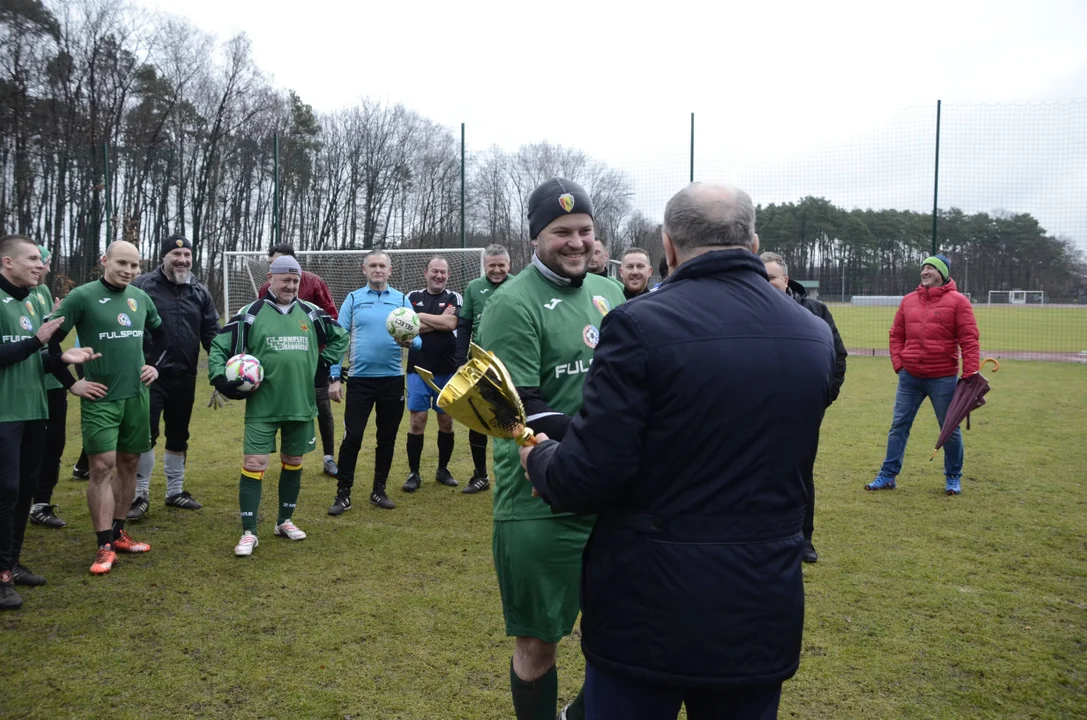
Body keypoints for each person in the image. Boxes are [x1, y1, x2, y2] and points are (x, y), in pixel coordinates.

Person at [518, 184, 835, 720]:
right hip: (761, 599)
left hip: (648, 604)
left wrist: (540, 457)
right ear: (753, 244)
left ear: (668, 247)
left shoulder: (640, 325)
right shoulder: (812, 333)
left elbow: (587, 477)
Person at [475, 177, 625, 720]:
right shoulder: (511, 303)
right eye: (562, 231)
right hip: (539, 499)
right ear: (535, 236)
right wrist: (614, 443)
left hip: (611, 497)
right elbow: (526, 412)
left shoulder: (608, 293)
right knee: (539, 643)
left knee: (625, 630)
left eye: (584, 230)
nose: (576, 241)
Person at [210, 255, 348, 557]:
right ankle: (249, 532)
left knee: (293, 461)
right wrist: (220, 380)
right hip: (263, 406)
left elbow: (341, 336)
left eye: (296, 280)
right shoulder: (251, 313)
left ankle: (284, 521)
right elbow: (219, 346)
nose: (291, 285)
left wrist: (324, 363)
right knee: (254, 464)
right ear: (270, 278)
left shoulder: (311, 314)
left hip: (300, 403)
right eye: (285, 279)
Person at [48, 240, 165, 576]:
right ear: (105, 261)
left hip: (136, 396)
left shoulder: (140, 298)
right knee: (101, 467)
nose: (129, 271)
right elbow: (50, 339)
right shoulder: (81, 296)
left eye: (135, 266)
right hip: (100, 397)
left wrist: (154, 364)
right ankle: (103, 545)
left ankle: (118, 532)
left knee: (130, 462)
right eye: (122, 264)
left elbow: (162, 336)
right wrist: (72, 382)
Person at [0, 235, 99, 607]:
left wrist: (64, 363)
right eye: (32, 259)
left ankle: (11, 564)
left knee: (25, 489)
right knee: (5, 492)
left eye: (41, 260)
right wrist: (34, 341)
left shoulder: (34, 299)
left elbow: (37, 357)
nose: (40, 265)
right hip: (4, 413)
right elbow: (19, 349)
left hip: (34, 408)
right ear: (8, 262)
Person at [867, 254, 979, 496]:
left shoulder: (959, 302)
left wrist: (970, 374)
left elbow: (969, 340)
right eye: (923, 268)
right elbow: (896, 335)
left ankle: (953, 477)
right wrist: (900, 365)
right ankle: (887, 476)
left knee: (949, 428)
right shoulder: (908, 301)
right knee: (899, 426)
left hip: (943, 377)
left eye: (930, 268)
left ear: (942, 273)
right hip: (910, 377)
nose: (925, 271)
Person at [761, 251, 848, 563]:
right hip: (755, 410)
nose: (765, 283)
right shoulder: (748, 311)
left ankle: (804, 538)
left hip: (801, 412)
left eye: (770, 277)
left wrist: (820, 399)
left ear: (785, 280)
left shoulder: (815, 311)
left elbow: (837, 359)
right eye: (760, 277)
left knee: (799, 473)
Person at [126, 234, 219, 520]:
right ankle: (138, 495)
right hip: (149, 376)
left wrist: (221, 371)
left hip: (185, 375)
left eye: (187, 256)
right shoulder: (142, 287)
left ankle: (175, 491)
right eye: (176, 255)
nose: (182, 260)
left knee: (179, 434)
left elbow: (212, 334)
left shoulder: (200, 291)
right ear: (164, 257)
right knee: (146, 434)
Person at [328, 250, 421, 514]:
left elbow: (418, 339)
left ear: (390, 270)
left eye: (382, 265)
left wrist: (411, 342)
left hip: (392, 381)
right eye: (373, 265)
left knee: (387, 438)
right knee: (352, 437)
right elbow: (339, 338)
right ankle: (343, 494)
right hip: (360, 381)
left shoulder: (401, 299)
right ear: (364, 269)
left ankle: (379, 490)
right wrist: (335, 377)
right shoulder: (354, 299)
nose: (378, 269)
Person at [257, 244, 340, 478]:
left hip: (312, 360)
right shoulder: (266, 288)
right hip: (276, 360)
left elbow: (331, 317)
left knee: (321, 406)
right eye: (273, 264)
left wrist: (317, 351)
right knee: (274, 403)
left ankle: (329, 457)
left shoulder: (314, 282)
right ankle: (267, 454)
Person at [453, 244, 512, 494]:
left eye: (501, 265)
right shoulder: (473, 287)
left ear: (509, 265)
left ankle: (515, 476)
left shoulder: (520, 285)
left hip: (513, 364)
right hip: (479, 365)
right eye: (492, 265)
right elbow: (464, 326)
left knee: (512, 419)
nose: (497, 269)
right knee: (479, 420)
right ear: (485, 265)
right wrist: (459, 360)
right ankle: (480, 475)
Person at [403, 257, 462, 492]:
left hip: (447, 370)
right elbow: (405, 326)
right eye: (435, 271)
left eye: (444, 272)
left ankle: (443, 469)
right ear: (425, 272)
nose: (439, 276)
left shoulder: (454, 297)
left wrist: (419, 317)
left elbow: (451, 324)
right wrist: (440, 321)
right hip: (418, 369)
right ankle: (414, 473)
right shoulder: (411, 296)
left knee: (446, 422)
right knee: (417, 421)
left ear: (448, 275)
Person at [28, 245, 68, 528]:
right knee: (28, 446)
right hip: (27, 384)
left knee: (54, 443)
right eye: (42, 262)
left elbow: (48, 334)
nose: (47, 269)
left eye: (46, 262)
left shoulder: (41, 292)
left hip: (53, 380)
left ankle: (41, 503)